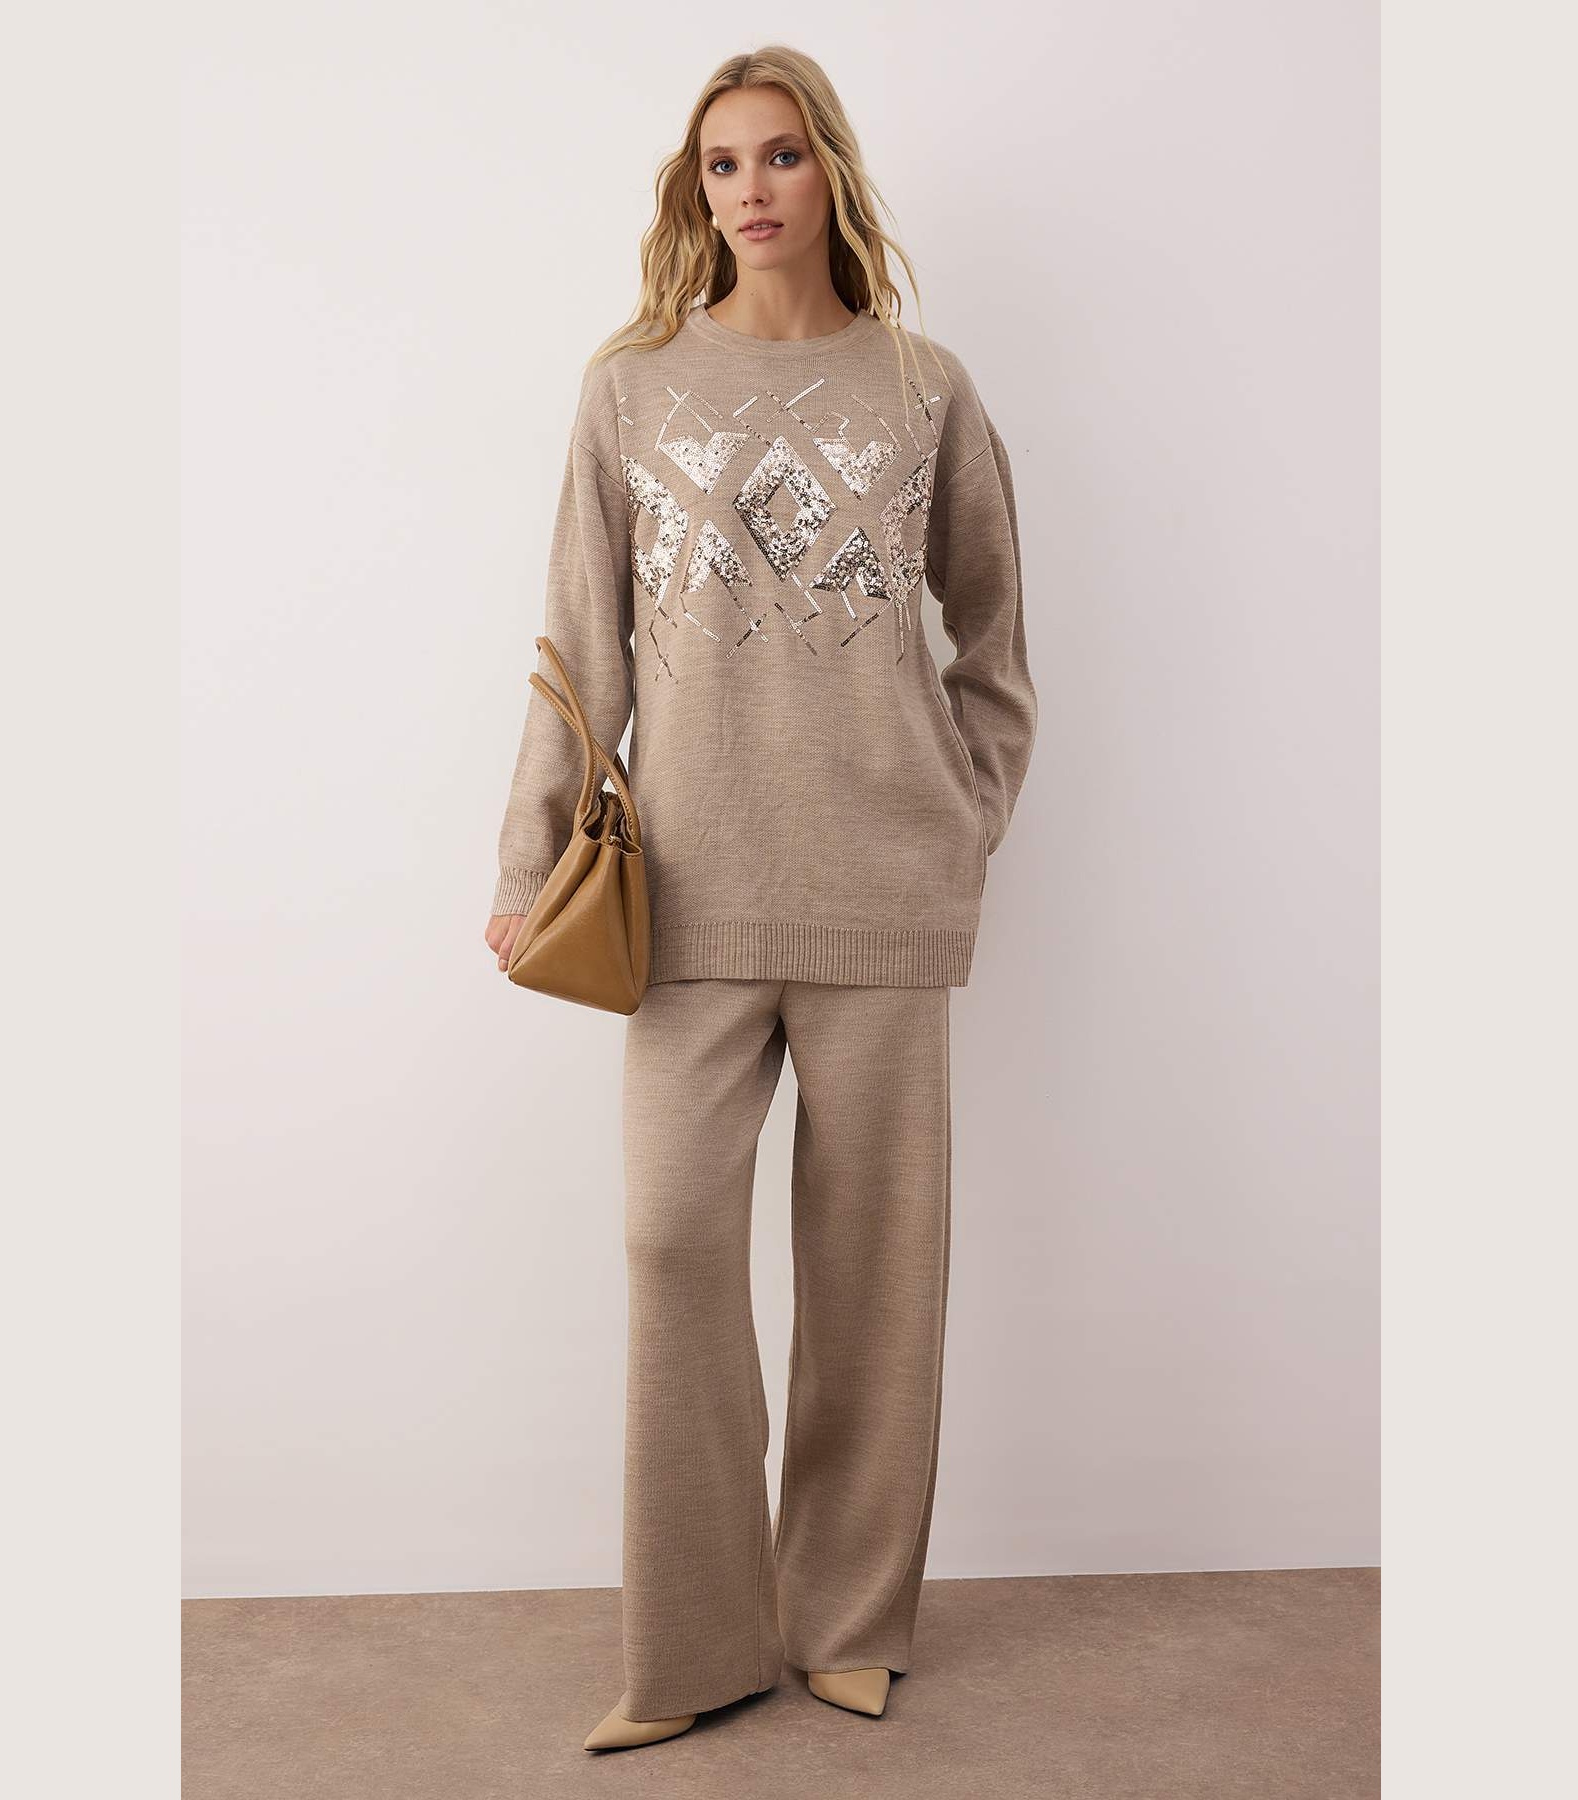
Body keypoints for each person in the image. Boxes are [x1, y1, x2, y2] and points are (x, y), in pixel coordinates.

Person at [484, 44, 1038, 1753]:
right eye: (721, 163)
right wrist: (529, 859)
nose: (751, 189)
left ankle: (853, 1623)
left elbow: (997, 645)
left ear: (830, 173)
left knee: (875, 1281)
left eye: (780, 155)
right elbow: (577, 651)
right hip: (684, 903)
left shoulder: (926, 389)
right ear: (695, 191)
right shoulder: (631, 391)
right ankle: (696, 1649)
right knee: (671, 1246)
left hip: (884, 894)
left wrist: (963, 816)